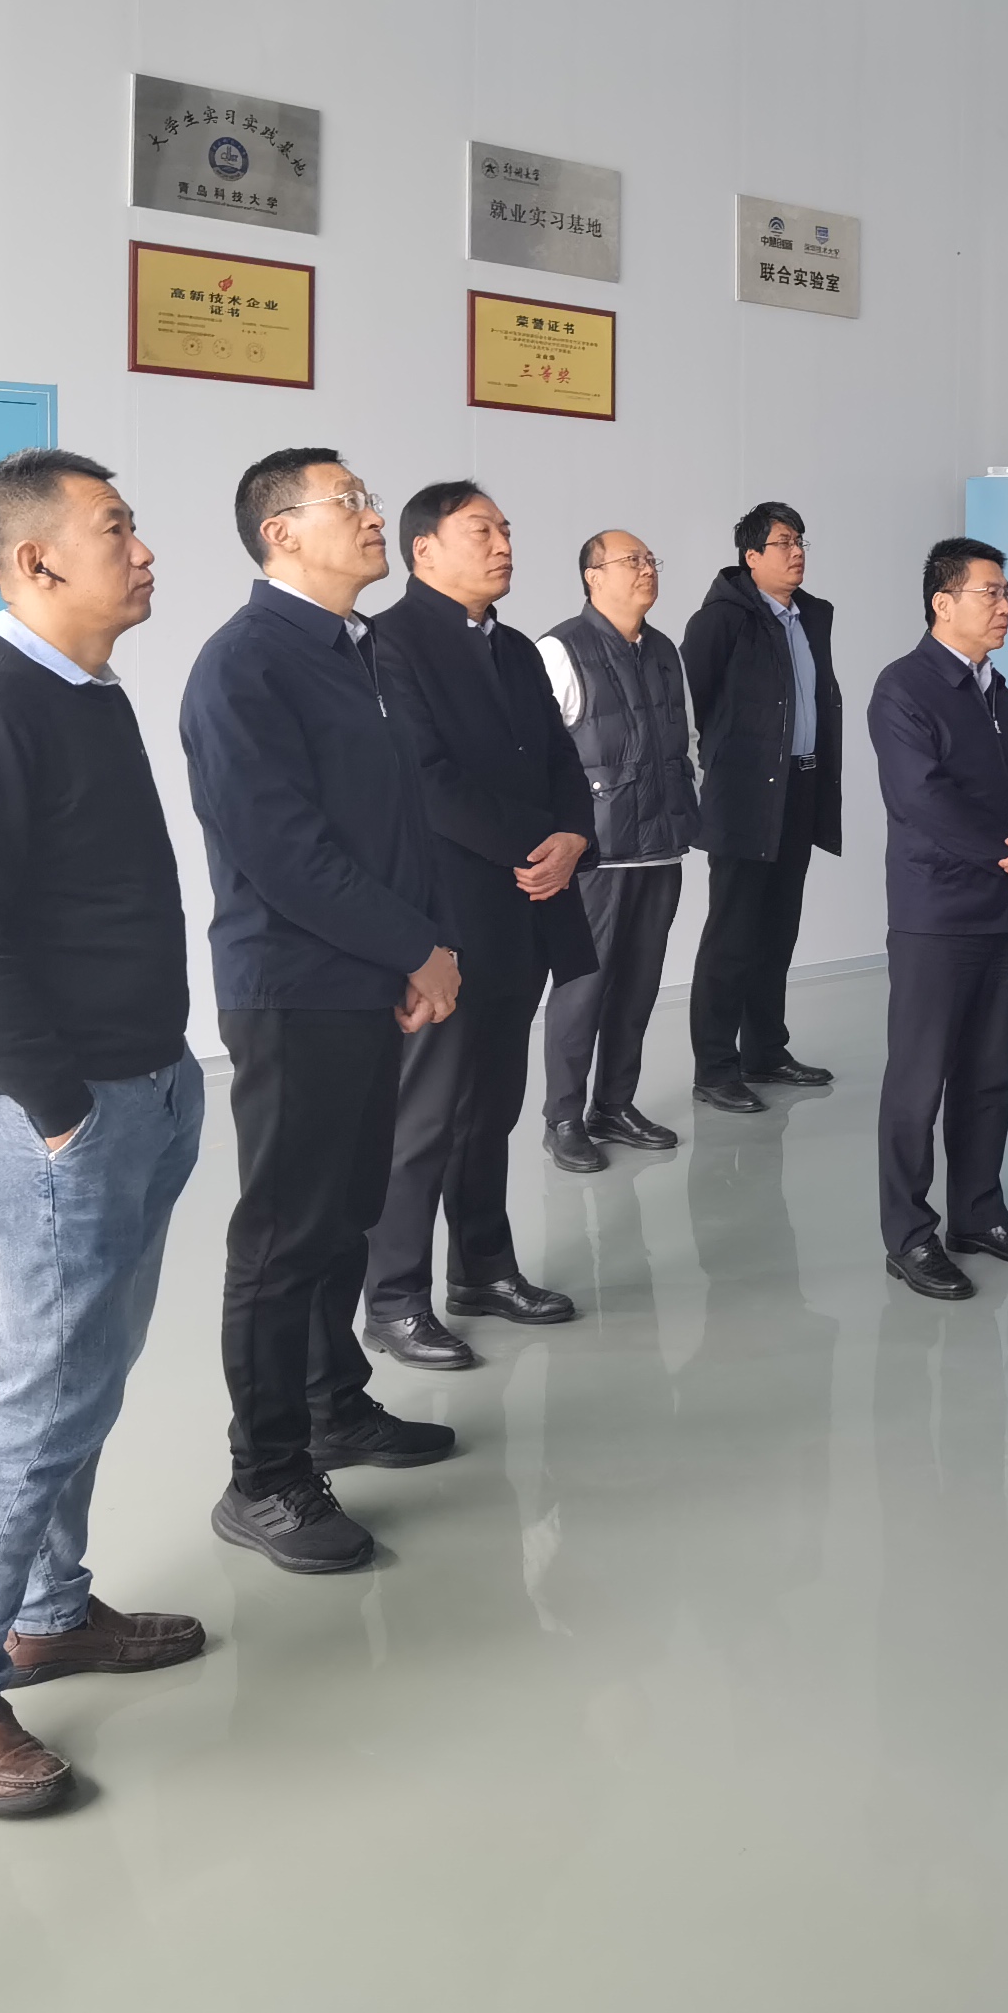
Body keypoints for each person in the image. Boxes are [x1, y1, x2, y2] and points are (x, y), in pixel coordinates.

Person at [0, 450, 207, 1818]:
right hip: (52, 1116)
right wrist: (63, 1113)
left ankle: (51, 1612)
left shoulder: (86, 691)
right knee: (41, 1396)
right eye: (117, 530)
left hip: (141, 1087)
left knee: (87, 1373)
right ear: (34, 562)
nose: (144, 551)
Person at [182, 450, 466, 1578]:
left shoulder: (362, 650)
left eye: (367, 499)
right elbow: (285, 853)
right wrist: (417, 948)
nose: (372, 515)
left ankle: (332, 1406)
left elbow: (401, 819)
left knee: (345, 1213)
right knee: (282, 1237)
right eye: (347, 502)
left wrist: (425, 946)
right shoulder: (244, 664)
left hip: (366, 977)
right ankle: (264, 1477)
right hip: (293, 987)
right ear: (281, 532)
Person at [360, 479, 596, 1370]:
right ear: (424, 550)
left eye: (505, 529)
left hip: (525, 907)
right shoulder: (388, 644)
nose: (503, 544)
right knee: (426, 1116)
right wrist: (542, 844)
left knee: (492, 1107)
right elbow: (425, 781)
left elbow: (565, 758)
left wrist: (575, 836)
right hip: (447, 920)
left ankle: (484, 1270)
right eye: (481, 530)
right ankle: (394, 1299)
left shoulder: (516, 649)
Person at [867, 537, 1008, 1300]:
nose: (1005, 606)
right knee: (917, 1084)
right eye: (991, 592)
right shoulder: (904, 688)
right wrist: (1005, 853)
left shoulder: (993, 688)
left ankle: (978, 1215)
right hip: (935, 915)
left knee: (987, 1079)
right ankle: (909, 1236)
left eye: (1007, 593)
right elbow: (921, 798)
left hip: (997, 912)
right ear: (942, 603)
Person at [538, 526, 698, 1173]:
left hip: (661, 849)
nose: (646, 569)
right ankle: (563, 1117)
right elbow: (540, 759)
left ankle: (614, 1105)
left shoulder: (663, 650)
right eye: (631, 560)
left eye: (650, 559)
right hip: (596, 858)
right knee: (583, 990)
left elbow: (684, 739)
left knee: (638, 988)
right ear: (593, 575)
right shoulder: (560, 649)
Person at [685, 501, 843, 1112]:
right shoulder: (720, 621)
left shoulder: (811, 617)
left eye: (800, 541)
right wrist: (719, 770)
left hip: (799, 789)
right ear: (751, 557)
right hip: (744, 796)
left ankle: (765, 1052)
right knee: (732, 934)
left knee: (778, 930)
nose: (796, 552)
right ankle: (715, 1069)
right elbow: (692, 706)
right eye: (782, 542)